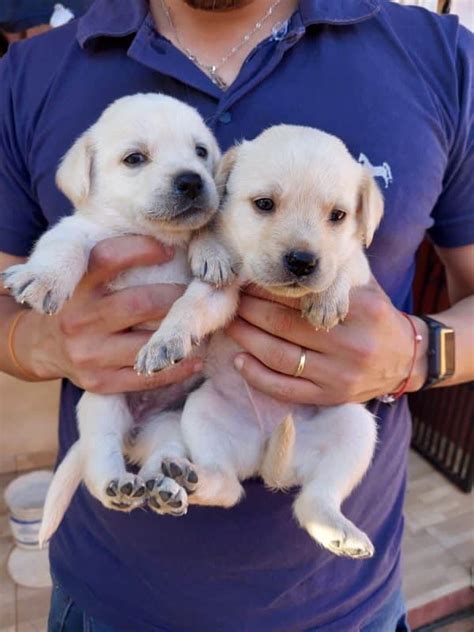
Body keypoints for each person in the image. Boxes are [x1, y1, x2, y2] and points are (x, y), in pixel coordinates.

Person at [0, 1, 472, 630]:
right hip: (114, 592)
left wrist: (420, 350)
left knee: (347, 435)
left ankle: (320, 500)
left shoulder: (439, 54)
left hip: (344, 602)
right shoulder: (29, 73)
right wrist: (39, 342)